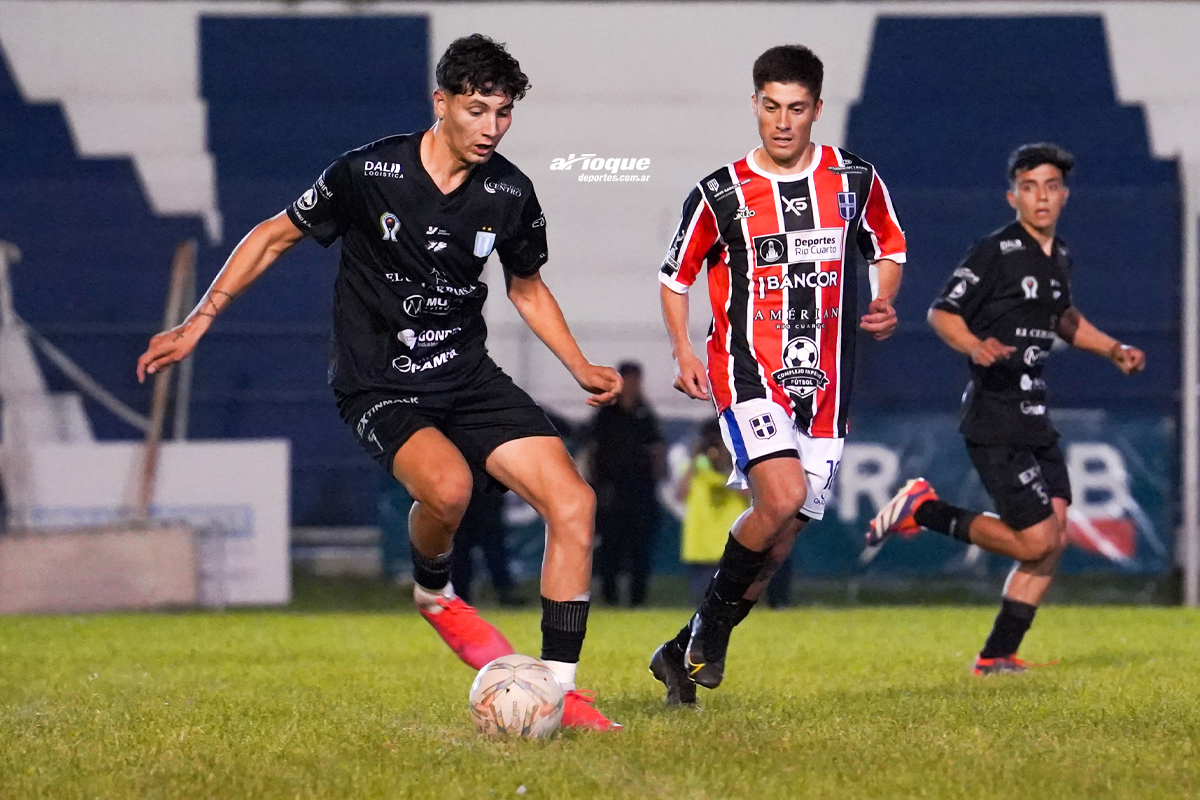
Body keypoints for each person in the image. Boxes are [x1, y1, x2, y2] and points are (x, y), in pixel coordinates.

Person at [136, 34, 623, 730]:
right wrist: (200, 317)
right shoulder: (369, 173)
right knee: (449, 488)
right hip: (380, 382)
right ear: (442, 102)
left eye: (504, 113)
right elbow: (274, 235)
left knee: (574, 503)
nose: (492, 127)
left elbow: (527, 286)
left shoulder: (509, 191)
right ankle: (432, 586)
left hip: (468, 376)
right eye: (478, 109)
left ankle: (558, 692)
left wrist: (578, 365)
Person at [650, 44, 906, 705]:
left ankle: (688, 643)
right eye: (771, 107)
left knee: (781, 536)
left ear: (817, 109)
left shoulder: (854, 179)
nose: (783, 121)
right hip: (745, 368)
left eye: (796, 108)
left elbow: (889, 245)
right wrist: (683, 349)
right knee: (783, 496)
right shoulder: (720, 193)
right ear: (755, 105)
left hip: (827, 384)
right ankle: (712, 634)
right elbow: (674, 277)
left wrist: (883, 298)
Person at [867, 143, 1145, 675]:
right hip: (996, 415)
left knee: (1052, 540)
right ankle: (921, 508)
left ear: (1063, 195)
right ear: (1012, 195)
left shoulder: (1059, 255)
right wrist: (974, 345)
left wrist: (1112, 349)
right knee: (1038, 538)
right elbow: (942, 312)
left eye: (1050, 186)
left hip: (1035, 414)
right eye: (1029, 186)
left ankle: (997, 656)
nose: (1040, 196)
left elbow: (1064, 318)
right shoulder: (996, 251)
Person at [586, 361, 665, 606]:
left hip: (641, 492)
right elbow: (592, 451)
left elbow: (657, 449)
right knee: (610, 548)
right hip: (611, 492)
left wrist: (658, 473)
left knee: (640, 549)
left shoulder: (646, 414)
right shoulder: (605, 414)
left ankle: (637, 600)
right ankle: (609, 598)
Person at [676, 418, 749, 604]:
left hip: (730, 547)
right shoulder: (697, 470)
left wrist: (725, 464)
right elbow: (680, 493)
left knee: (729, 604)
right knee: (702, 603)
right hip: (701, 548)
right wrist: (695, 459)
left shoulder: (739, 469)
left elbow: (747, 493)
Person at [449, 488, 526, 606]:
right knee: (462, 552)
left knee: (494, 550)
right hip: (465, 500)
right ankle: (460, 594)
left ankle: (504, 591)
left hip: (483, 498)